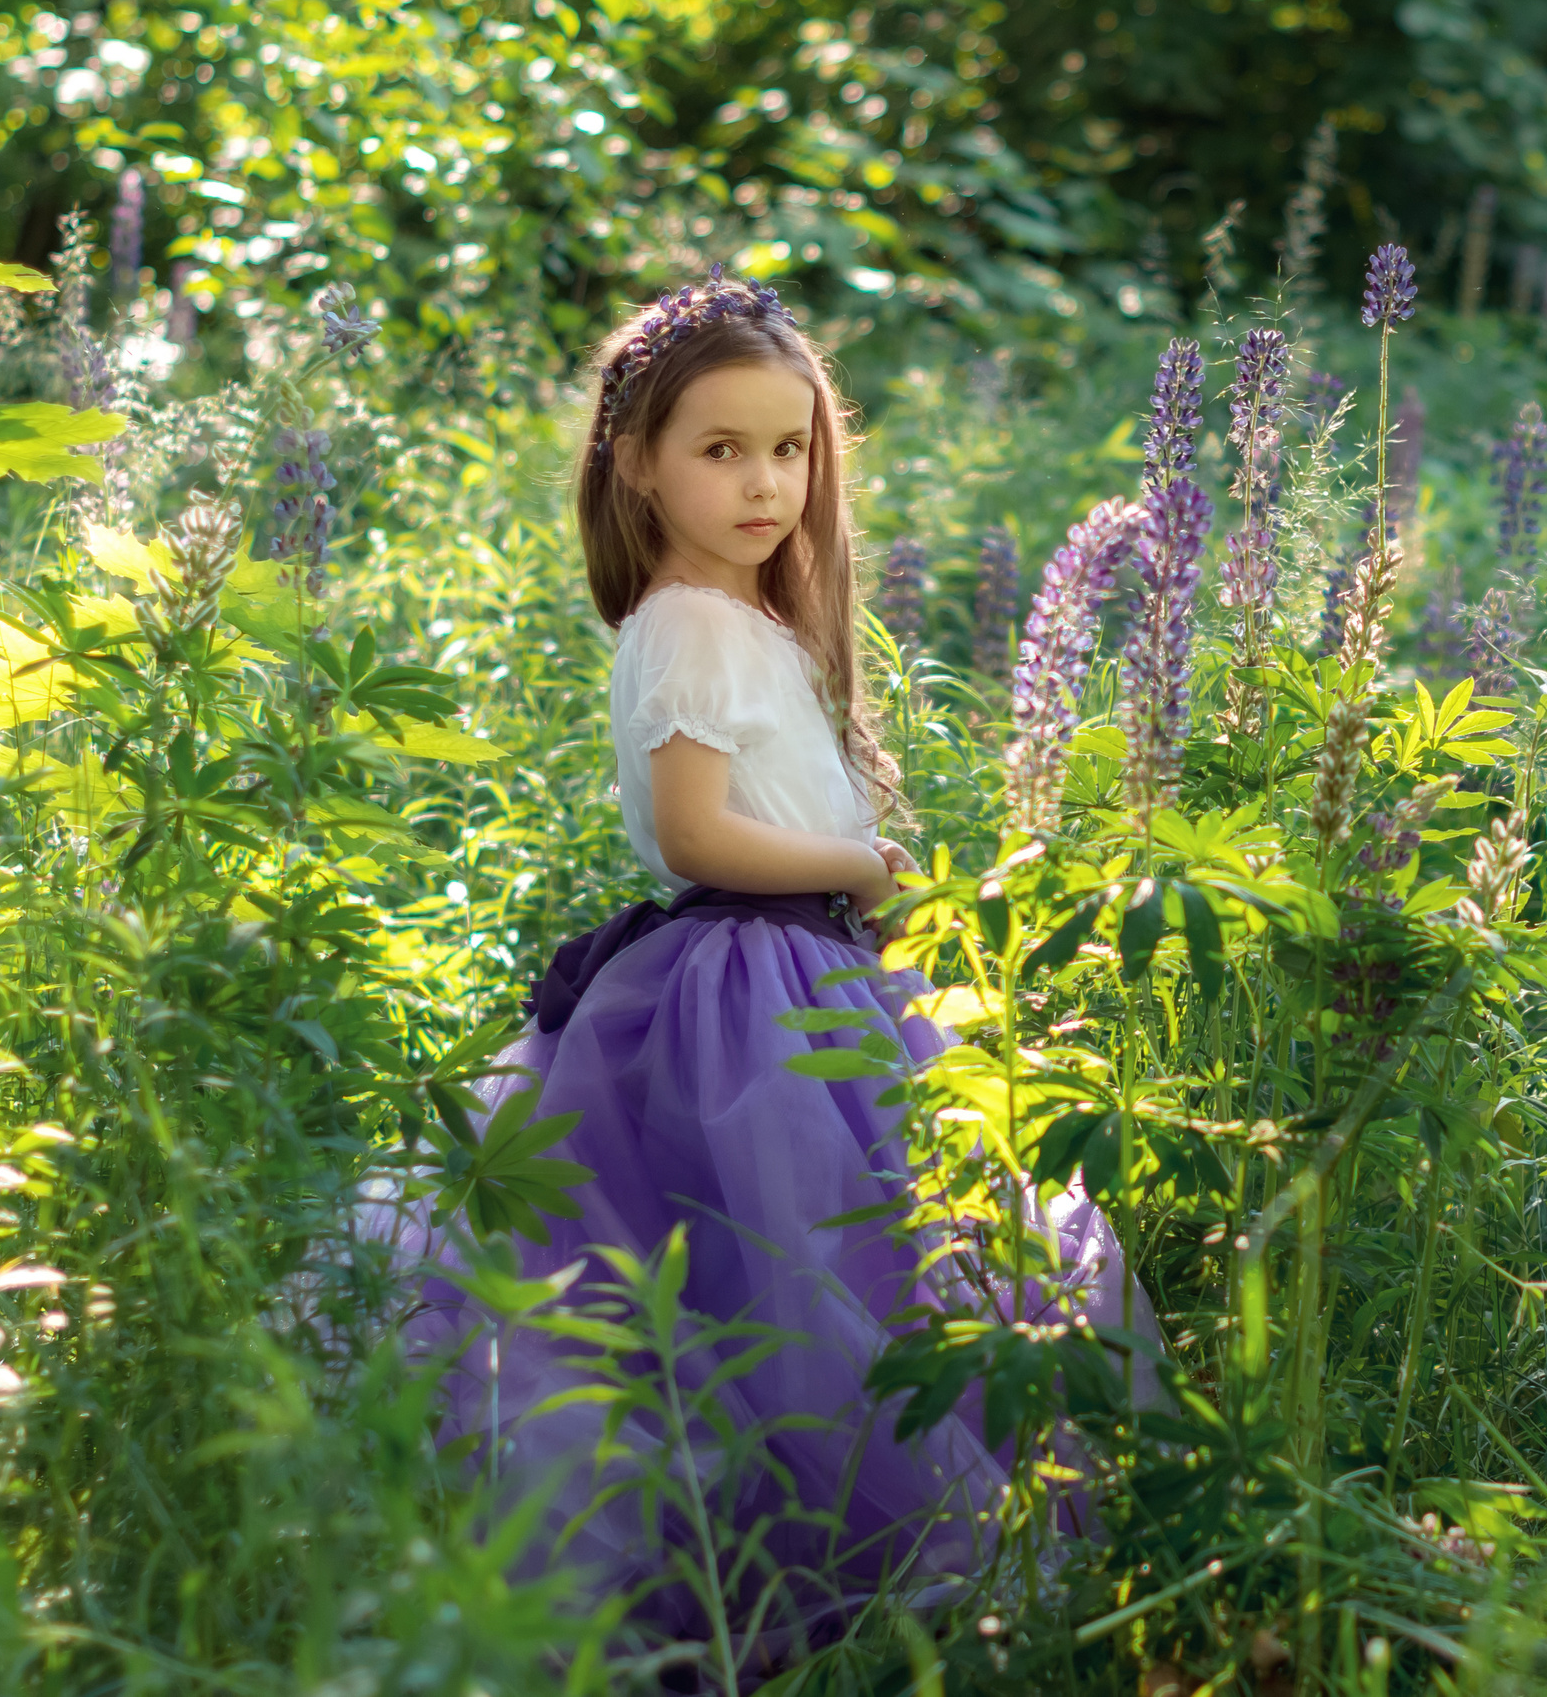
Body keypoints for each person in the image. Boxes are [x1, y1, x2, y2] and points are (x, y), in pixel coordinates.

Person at [374, 269, 1156, 1663]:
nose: (763, 483)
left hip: (796, 968)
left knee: (848, 1260)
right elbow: (694, 833)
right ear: (636, 462)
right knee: (802, 1266)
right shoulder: (687, 621)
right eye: (721, 449)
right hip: (751, 989)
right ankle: (855, 1569)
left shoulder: (738, 620)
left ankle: (859, 1568)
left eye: (788, 449)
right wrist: (861, 865)